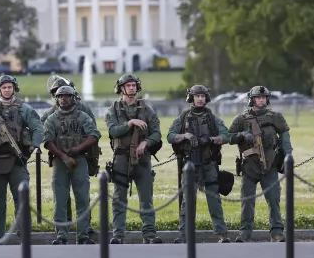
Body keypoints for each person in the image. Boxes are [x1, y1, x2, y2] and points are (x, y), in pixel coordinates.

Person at [0, 75, 44, 243]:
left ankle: (24, 234)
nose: (7, 90)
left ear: (14, 88)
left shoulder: (24, 109)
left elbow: (38, 129)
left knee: (21, 199)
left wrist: (32, 149)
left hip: (17, 160)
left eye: (9, 87)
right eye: (3, 87)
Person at [166, 85, 231, 243]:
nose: (200, 99)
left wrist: (211, 139)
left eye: (203, 96)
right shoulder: (183, 117)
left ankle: (222, 234)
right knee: (188, 200)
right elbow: (170, 136)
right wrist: (185, 136)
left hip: (209, 163)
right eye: (197, 96)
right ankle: (184, 236)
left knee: (214, 199)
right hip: (189, 163)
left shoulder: (212, 117)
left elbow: (226, 135)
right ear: (191, 98)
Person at [228, 85, 292, 243]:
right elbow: (228, 136)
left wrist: (288, 157)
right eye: (258, 97)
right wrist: (242, 135)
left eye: (263, 97)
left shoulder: (275, 116)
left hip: (270, 165)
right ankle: (244, 234)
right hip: (249, 166)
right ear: (252, 99)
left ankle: (277, 232)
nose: (261, 100)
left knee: (273, 199)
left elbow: (285, 138)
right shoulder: (242, 118)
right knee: (247, 201)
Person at [105, 73, 163, 244]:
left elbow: (157, 133)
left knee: (146, 198)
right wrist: (130, 123)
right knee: (119, 199)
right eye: (128, 85)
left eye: (134, 85)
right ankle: (118, 235)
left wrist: (145, 143)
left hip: (142, 158)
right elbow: (113, 131)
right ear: (121, 88)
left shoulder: (147, 109)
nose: (131, 88)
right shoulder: (113, 110)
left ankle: (149, 234)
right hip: (121, 158)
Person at [41, 75, 98, 238]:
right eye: (59, 95)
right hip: (60, 159)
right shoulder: (52, 114)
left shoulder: (82, 111)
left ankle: (84, 230)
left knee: (82, 195)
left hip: (81, 156)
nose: (62, 99)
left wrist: (79, 149)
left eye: (66, 95)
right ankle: (62, 232)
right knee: (60, 198)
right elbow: (43, 132)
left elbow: (93, 132)